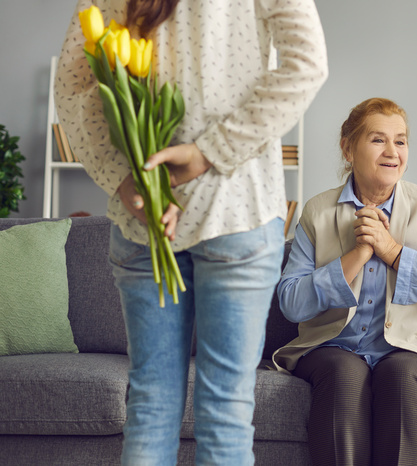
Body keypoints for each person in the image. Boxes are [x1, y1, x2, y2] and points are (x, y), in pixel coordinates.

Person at [54, 0, 328, 463]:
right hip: (236, 208)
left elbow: (72, 84)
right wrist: (210, 151)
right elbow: (307, 65)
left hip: (145, 215)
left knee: (151, 407)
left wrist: (122, 177)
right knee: (226, 414)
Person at [272, 97, 417, 466]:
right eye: (378, 139)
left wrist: (393, 252)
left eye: (400, 141)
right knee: (343, 373)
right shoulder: (318, 211)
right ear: (348, 148)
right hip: (333, 346)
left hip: (412, 349)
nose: (392, 152)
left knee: (400, 375)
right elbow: (291, 301)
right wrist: (357, 256)